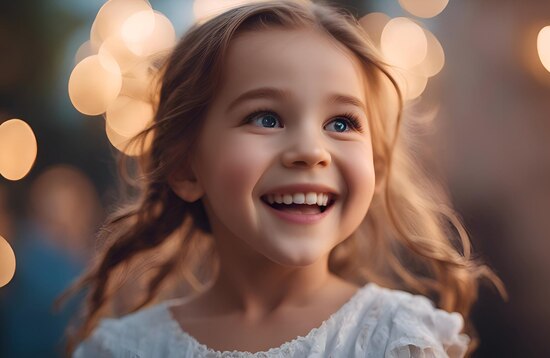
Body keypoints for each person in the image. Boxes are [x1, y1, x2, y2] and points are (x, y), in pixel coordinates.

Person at [62, 1, 505, 356]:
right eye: (267, 117)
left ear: (375, 165)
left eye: (342, 123)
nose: (312, 151)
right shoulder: (122, 348)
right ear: (184, 167)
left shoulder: (398, 341)